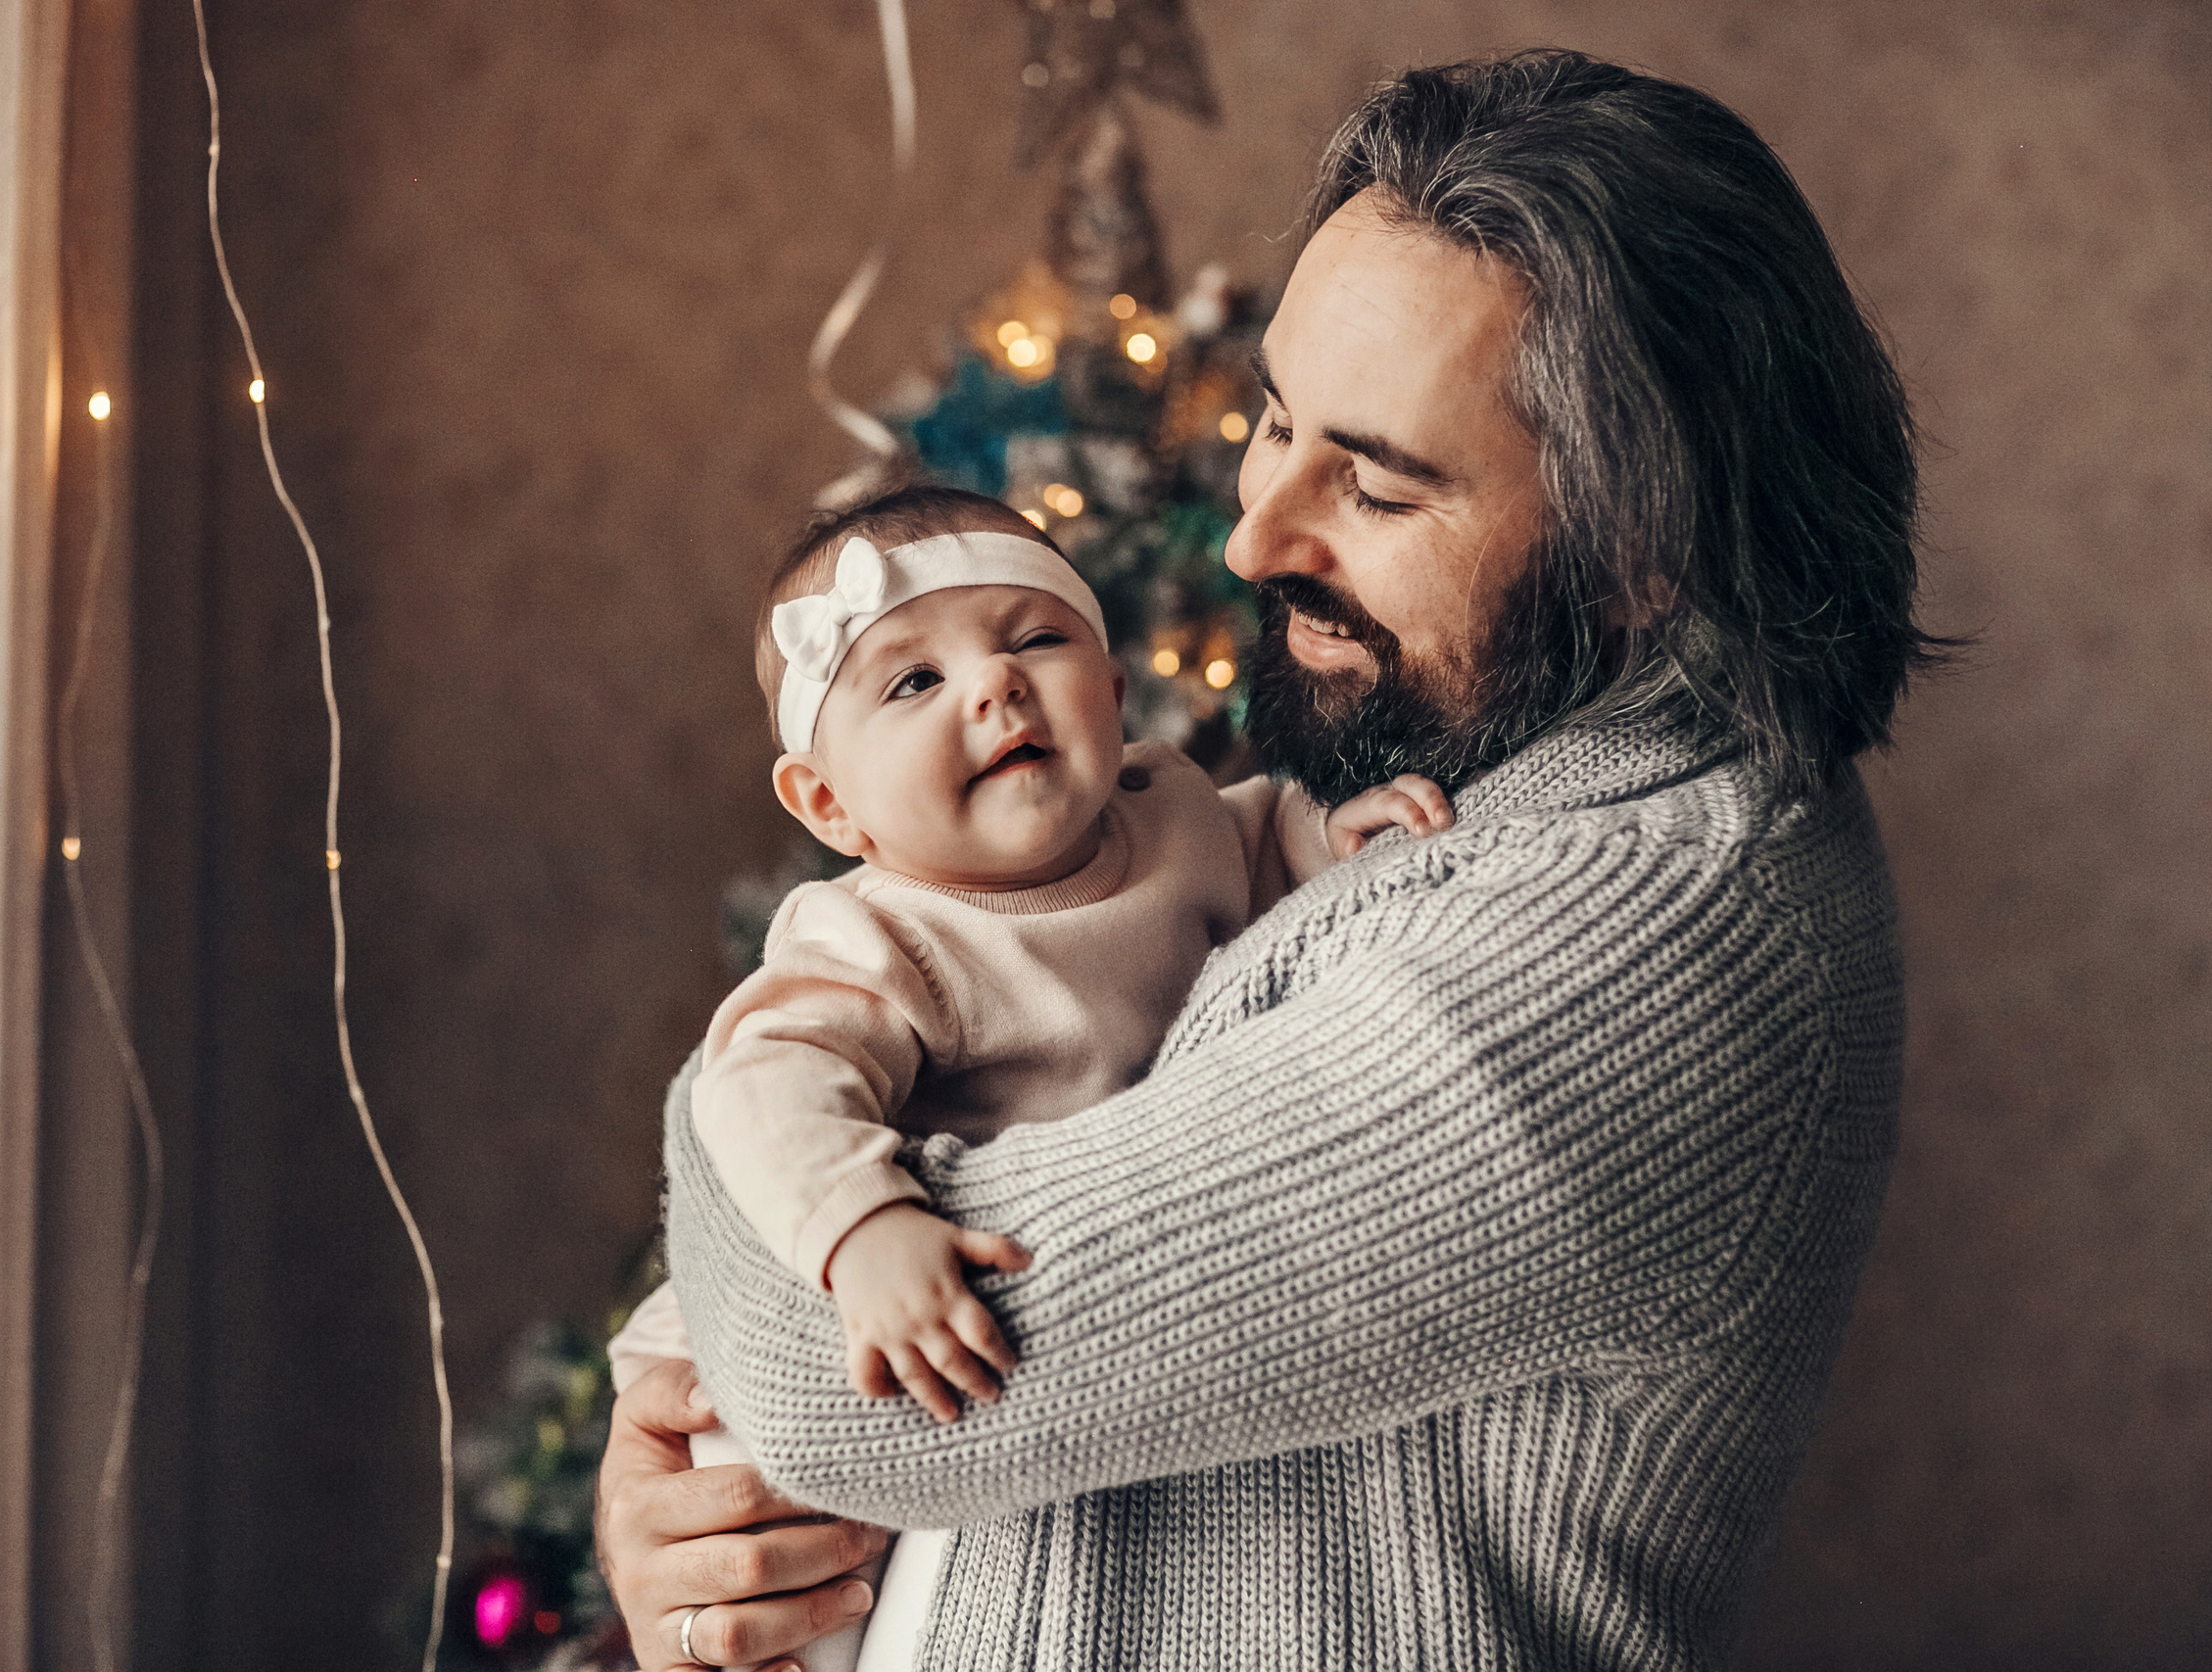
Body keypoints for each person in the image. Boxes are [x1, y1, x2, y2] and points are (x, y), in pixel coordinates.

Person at [598, 47, 1940, 1672]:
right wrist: (669, 1474)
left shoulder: (1645, 935)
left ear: (1645, 552)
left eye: (1368, 483)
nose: (1253, 535)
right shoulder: (1470, 775)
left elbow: (847, 1392)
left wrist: (744, 1089)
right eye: (1272, 422)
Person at [603, 485, 1446, 1671]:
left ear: (1109, 690)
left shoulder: (1172, 808)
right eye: (912, 682)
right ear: (828, 803)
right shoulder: (882, 938)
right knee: (796, 1566)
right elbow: (760, 1083)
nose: (993, 686)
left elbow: (1258, 838)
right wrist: (866, 1227)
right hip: (807, 1269)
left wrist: (1330, 840)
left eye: (1034, 639)